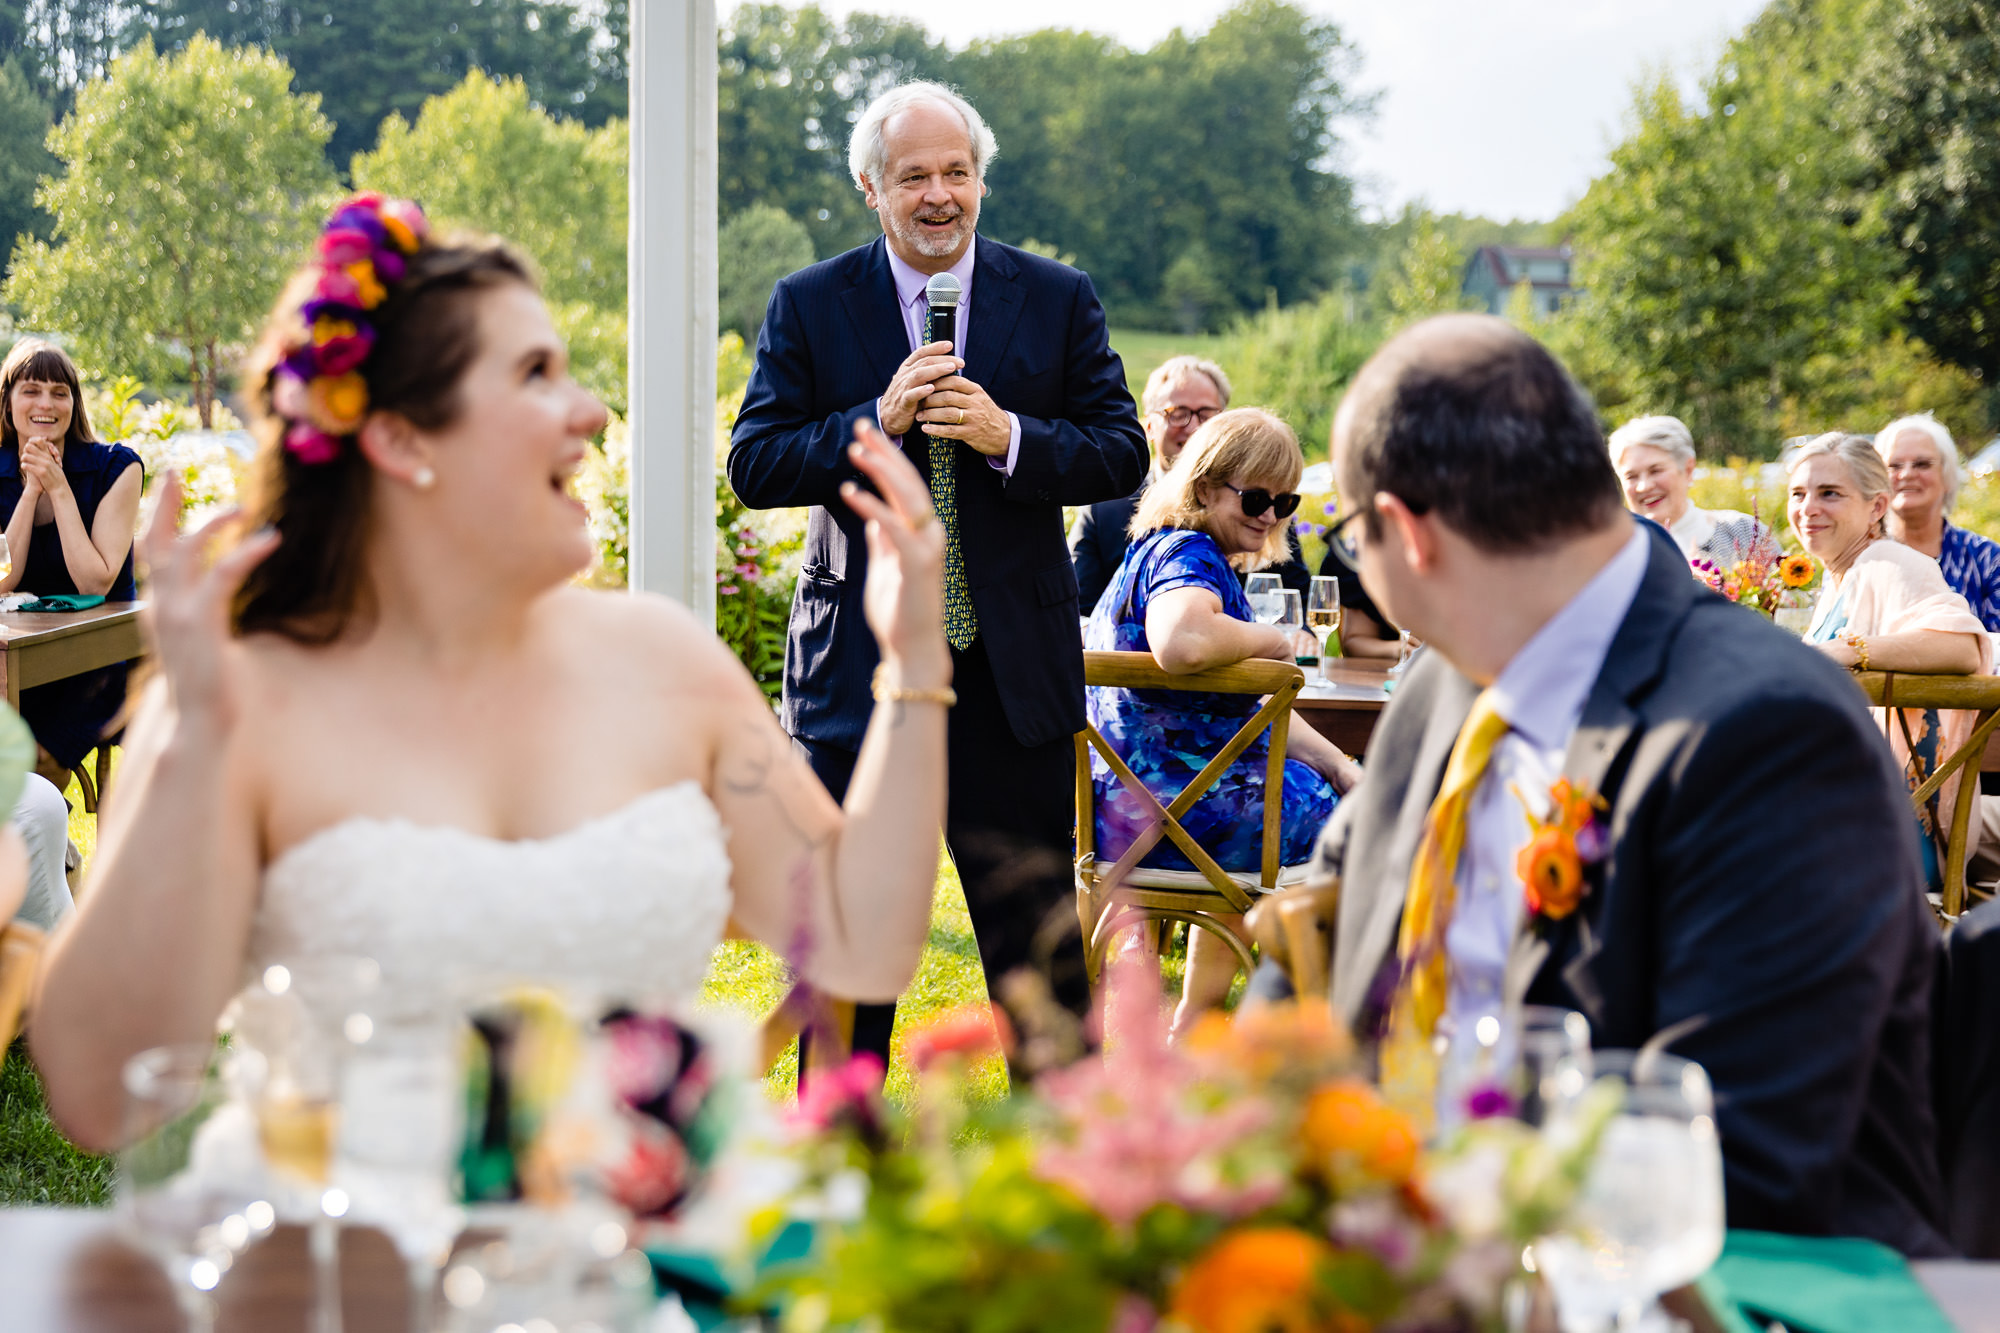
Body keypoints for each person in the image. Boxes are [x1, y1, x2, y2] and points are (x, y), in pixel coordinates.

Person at [33, 195, 951, 1151]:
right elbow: (100, 1093)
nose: (592, 411)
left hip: (620, 1266)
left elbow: (862, 941)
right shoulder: (245, 693)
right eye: (536, 374)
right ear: (401, 440)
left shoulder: (666, 660)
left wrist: (913, 661)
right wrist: (190, 738)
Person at [1319, 313, 1949, 1254]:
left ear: (1406, 534)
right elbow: (1317, 963)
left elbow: (1733, 1169)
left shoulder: (1768, 732)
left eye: (1345, 537)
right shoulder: (1443, 690)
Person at [728, 81, 1148, 1060]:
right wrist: (873, 421)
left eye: (956, 173)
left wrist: (1012, 437)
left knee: (1037, 963)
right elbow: (755, 464)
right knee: (846, 956)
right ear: (870, 189)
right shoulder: (809, 303)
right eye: (912, 176)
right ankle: (840, 1164)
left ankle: (1071, 1183)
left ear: (980, 181)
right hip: (857, 692)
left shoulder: (1053, 297)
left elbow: (1120, 451)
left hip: (1011, 689)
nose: (938, 195)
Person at [1086, 408, 1361, 1035]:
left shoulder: (1159, 551)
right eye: (1257, 495)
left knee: (1328, 793)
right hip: (1183, 816)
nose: (1270, 514)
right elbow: (1180, 641)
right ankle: (1319, 1032)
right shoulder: (1189, 552)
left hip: (1126, 813)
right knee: (1365, 828)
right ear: (1206, 486)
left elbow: (1249, 715)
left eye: (1285, 500)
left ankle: (1196, 1022)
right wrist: (1274, 639)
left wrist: (1338, 764)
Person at [1790, 432, 1989, 893]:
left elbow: (1961, 648)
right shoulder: (1839, 581)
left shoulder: (1890, 563)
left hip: (1884, 837)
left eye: (1830, 494)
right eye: (1798, 493)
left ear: (1877, 507)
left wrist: (1849, 650)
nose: (1807, 508)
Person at [0, 340, 143, 787]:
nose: (46, 403)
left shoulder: (116, 468)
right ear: (8, 401)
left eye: (60, 392)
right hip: (20, 660)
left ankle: (48, 844)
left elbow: (95, 583)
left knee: (34, 760)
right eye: (32, 389)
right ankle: (50, 846)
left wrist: (58, 489)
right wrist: (31, 491)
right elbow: (4, 579)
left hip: (97, 660)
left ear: (74, 404)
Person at [1071, 356, 1313, 615]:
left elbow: (1297, 602)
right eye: (1179, 414)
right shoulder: (1109, 511)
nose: (1196, 427)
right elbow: (1080, 612)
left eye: (1208, 415)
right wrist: (1269, 641)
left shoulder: (1267, 505)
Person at [1875, 413, 2000, 631]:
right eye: (1894, 465)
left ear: (1947, 475)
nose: (1906, 474)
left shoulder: (1986, 560)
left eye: (1922, 464)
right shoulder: (1859, 557)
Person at [1608, 414, 1775, 567]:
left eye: (1656, 471)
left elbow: (1789, 596)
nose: (1644, 486)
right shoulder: (1613, 555)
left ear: (1688, 469)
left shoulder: (1743, 532)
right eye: (1631, 476)